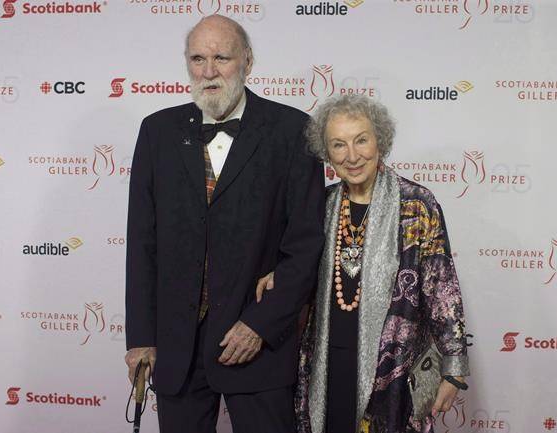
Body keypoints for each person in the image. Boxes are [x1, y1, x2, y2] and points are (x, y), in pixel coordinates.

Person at [124, 14, 325, 433]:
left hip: (257, 344)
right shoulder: (157, 131)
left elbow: (305, 244)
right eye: (197, 58)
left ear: (248, 61)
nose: (209, 71)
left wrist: (261, 323)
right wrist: (141, 337)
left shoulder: (293, 131)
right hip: (178, 347)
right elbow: (143, 243)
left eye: (221, 57)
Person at [256, 94, 470, 433]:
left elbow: (442, 290)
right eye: (338, 145)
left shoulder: (417, 205)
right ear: (327, 154)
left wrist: (454, 366)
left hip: (394, 369)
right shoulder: (320, 205)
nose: (352, 156)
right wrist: (278, 277)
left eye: (361, 140)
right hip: (327, 362)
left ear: (380, 141)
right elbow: (300, 265)